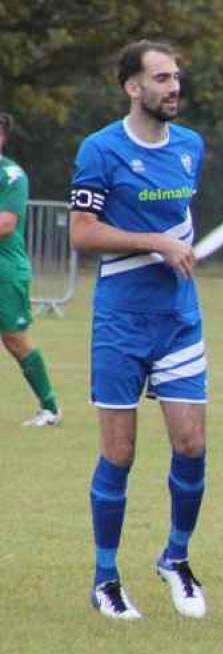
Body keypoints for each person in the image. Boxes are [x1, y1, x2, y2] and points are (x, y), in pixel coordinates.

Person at [70, 40, 207, 620]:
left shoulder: (191, 147)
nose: (173, 87)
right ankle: (106, 578)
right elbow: (82, 233)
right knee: (119, 453)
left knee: (193, 444)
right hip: (120, 322)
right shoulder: (100, 149)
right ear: (132, 87)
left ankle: (175, 558)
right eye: (160, 78)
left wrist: (174, 246)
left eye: (176, 76)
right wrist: (156, 243)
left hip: (179, 319)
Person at [0, 112, 61, 426]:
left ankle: (50, 408)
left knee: (15, 340)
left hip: (5, 272)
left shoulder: (11, 175)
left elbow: (6, 225)